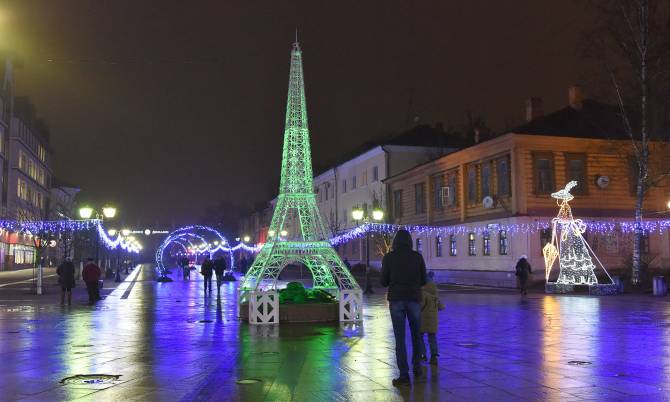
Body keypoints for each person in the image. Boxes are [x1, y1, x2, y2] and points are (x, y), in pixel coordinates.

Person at [380, 229, 427, 386]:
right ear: (410, 241)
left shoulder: (389, 258)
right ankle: (418, 368)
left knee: (399, 339)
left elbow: (383, 281)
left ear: (395, 242)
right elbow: (424, 280)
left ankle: (404, 375)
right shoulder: (417, 257)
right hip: (414, 298)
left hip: (397, 300)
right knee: (416, 335)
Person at [419, 280, 445, 365]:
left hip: (424, 319)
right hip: (433, 321)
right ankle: (434, 355)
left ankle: (423, 354)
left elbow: (421, 305)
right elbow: (442, 307)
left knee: (420, 336)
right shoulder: (436, 297)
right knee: (432, 338)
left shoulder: (424, 294)